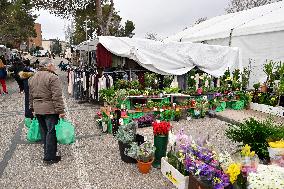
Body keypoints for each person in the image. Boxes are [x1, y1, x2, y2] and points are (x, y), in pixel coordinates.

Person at [29, 61, 65, 164]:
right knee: (51, 132)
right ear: (48, 66)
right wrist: (60, 111)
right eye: (53, 65)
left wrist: (33, 109)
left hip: (38, 109)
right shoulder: (52, 77)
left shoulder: (32, 77)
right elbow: (56, 96)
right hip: (49, 109)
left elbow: (30, 96)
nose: (54, 67)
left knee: (44, 131)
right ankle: (49, 157)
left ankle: (48, 153)